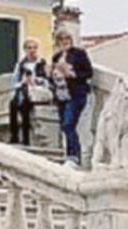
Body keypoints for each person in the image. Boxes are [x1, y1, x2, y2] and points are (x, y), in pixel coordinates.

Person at [50, 30, 93, 165]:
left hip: (75, 94)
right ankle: (72, 154)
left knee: (69, 124)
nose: (65, 41)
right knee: (66, 126)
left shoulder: (79, 54)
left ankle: (73, 156)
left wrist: (73, 74)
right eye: (62, 39)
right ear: (58, 42)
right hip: (61, 95)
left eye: (67, 39)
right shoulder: (56, 57)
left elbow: (88, 72)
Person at [10, 37, 49, 145]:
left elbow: (48, 81)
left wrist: (37, 80)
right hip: (24, 91)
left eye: (35, 48)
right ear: (25, 50)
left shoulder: (42, 63)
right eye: (29, 48)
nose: (32, 50)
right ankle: (14, 136)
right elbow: (13, 82)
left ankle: (26, 139)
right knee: (13, 104)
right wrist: (22, 82)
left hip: (38, 93)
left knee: (25, 106)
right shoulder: (20, 65)